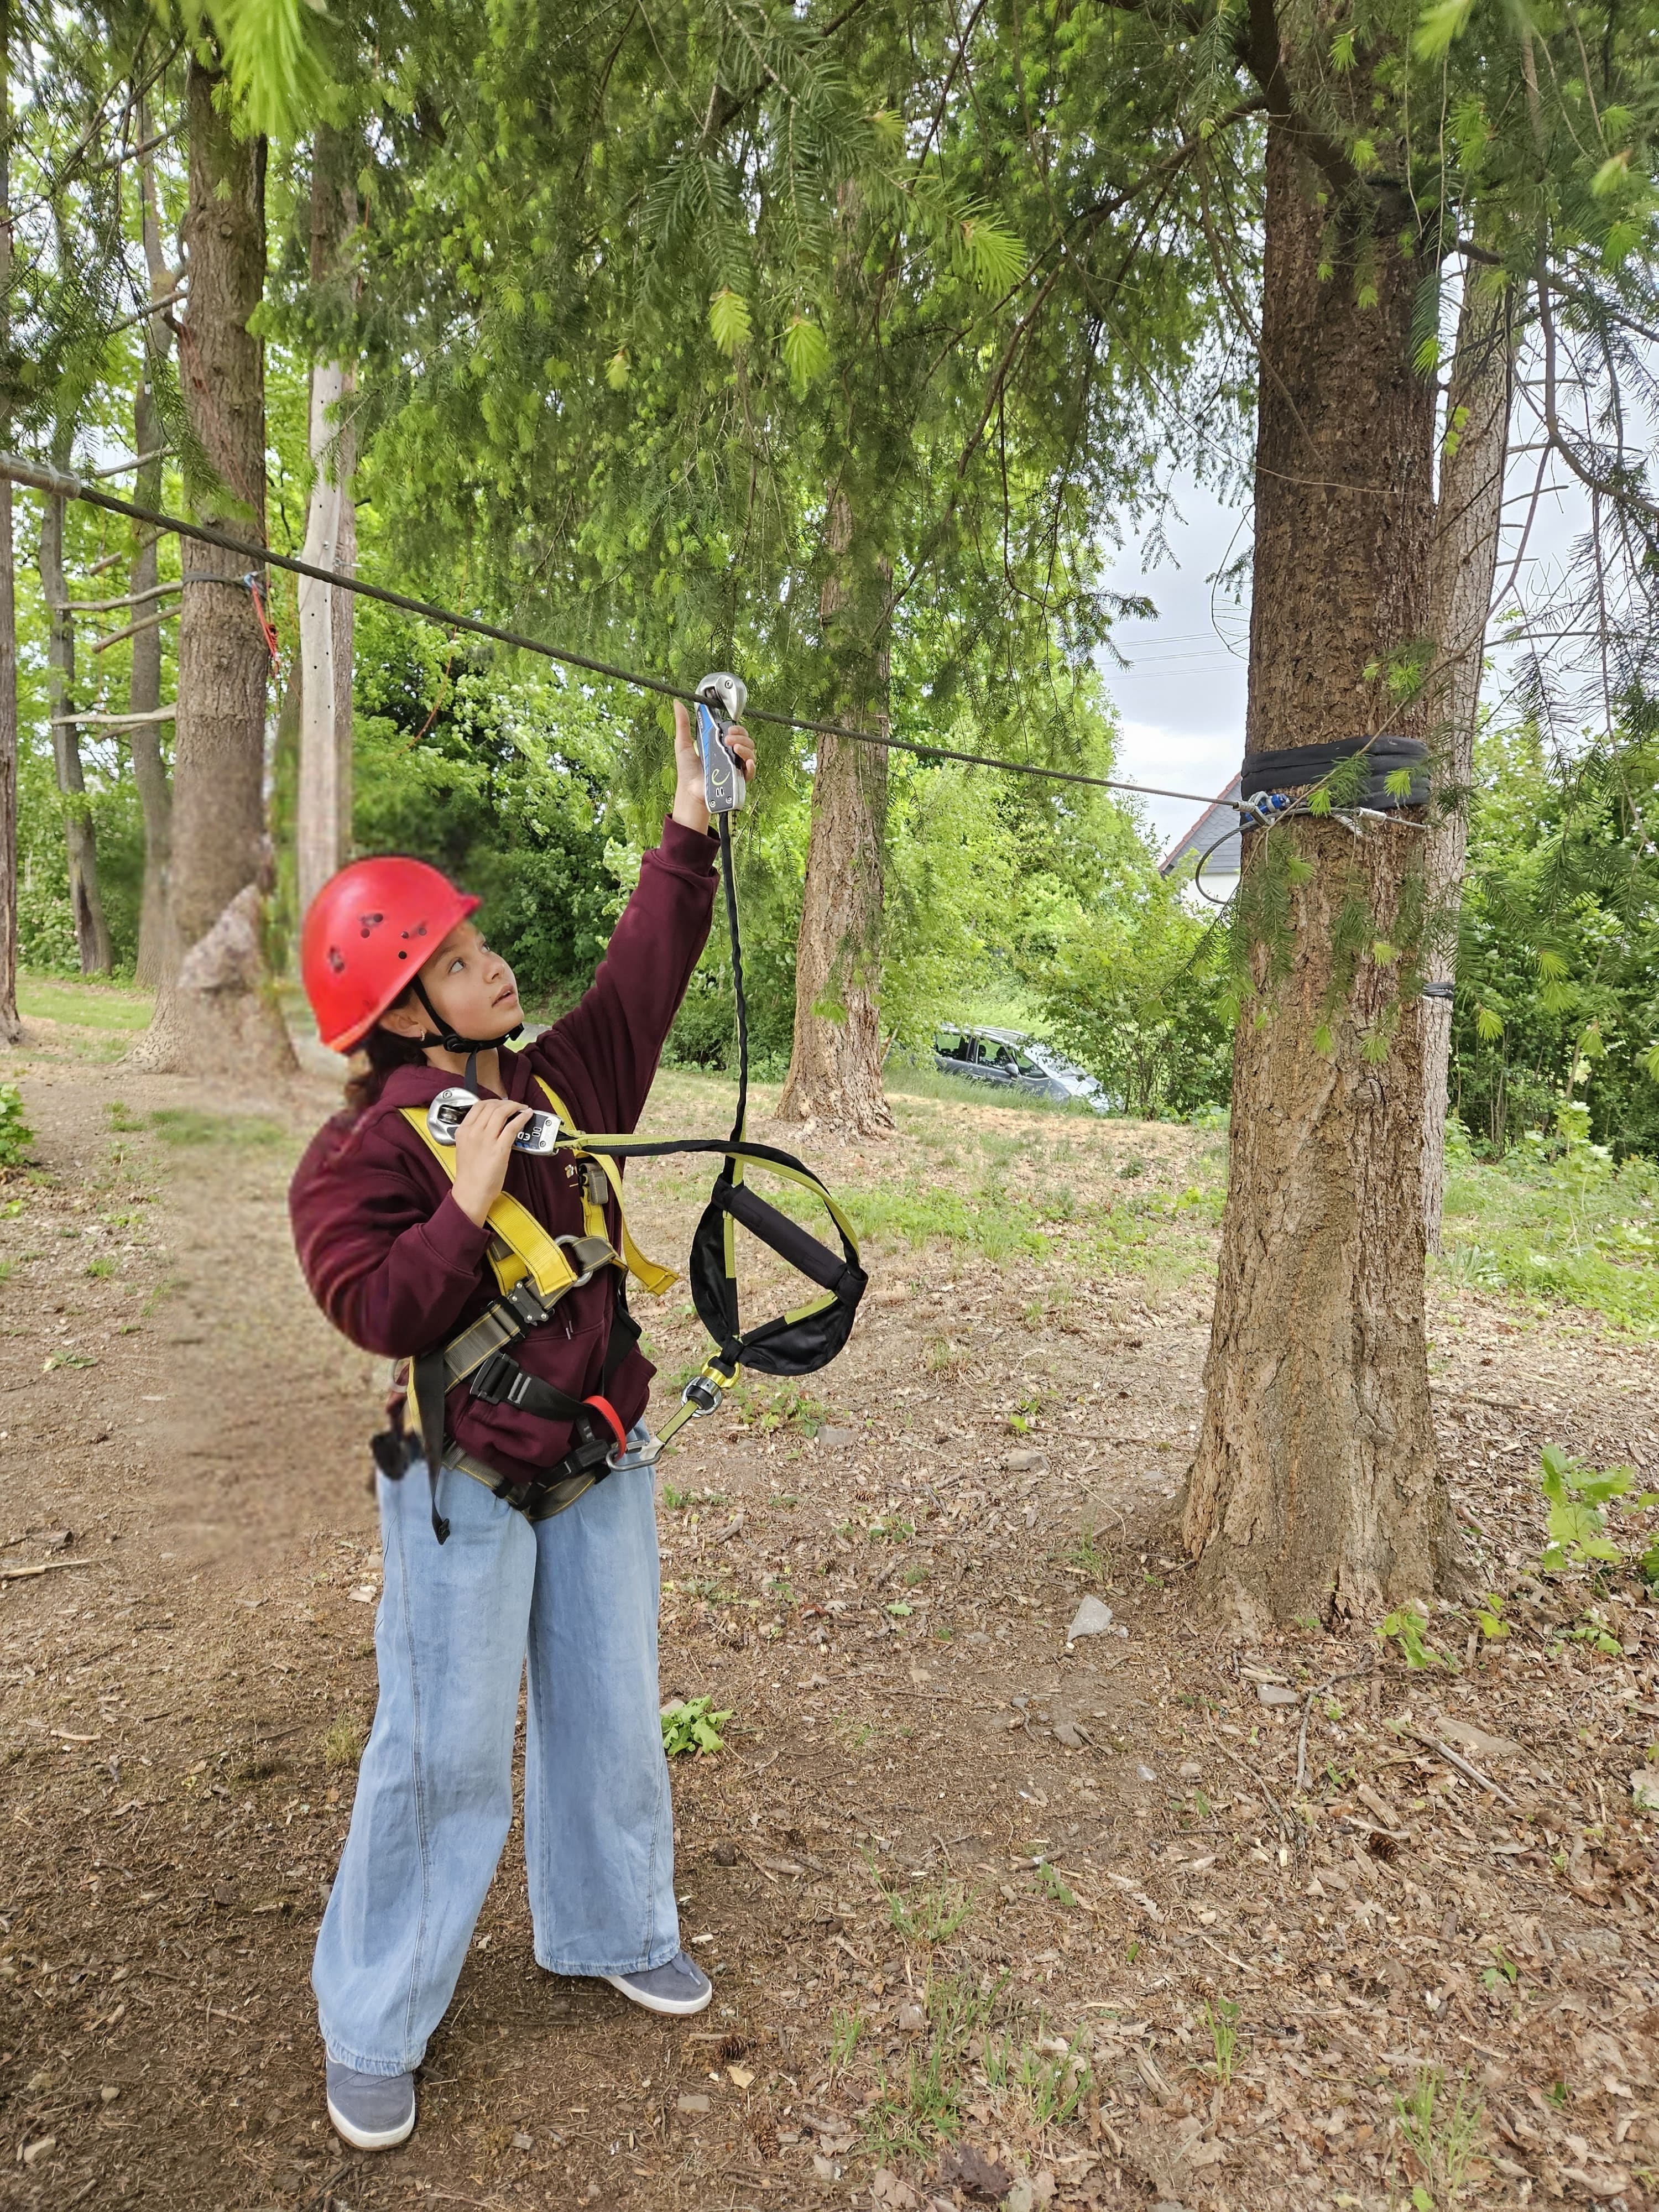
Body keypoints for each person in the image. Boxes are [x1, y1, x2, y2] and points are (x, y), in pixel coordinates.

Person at [289, 702, 755, 2152]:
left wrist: (692, 825)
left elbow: (638, 982)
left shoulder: (555, 1086)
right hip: (465, 1484)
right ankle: (374, 2018)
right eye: (461, 958)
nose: (495, 964)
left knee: (615, 1709)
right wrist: (463, 1204)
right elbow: (373, 1308)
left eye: (479, 949)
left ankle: (612, 1925)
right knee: (436, 1750)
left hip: (598, 1452)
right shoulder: (358, 1155)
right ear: (404, 1008)